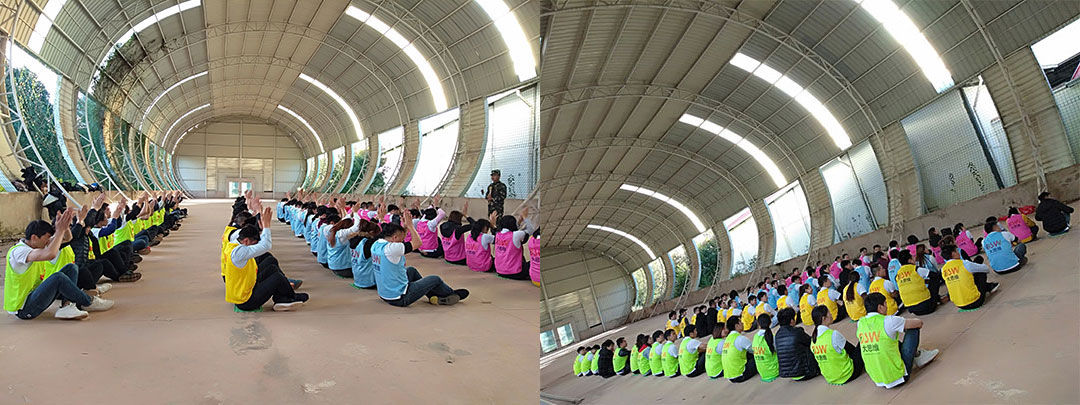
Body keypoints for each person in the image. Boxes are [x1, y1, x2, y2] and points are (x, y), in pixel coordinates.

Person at [5, 212, 115, 320]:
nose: (48, 241)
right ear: (34, 237)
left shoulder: (37, 245)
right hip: (24, 309)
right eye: (47, 237)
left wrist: (64, 227)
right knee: (58, 277)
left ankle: (67, 306)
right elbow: (50, 254)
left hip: (35, 296)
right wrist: (59, 231)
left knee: (71, 268)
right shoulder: (19, 251)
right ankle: (88, 302)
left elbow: (68, 238)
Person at [372, 211, 469, 307]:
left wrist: (405, 227)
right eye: (401, 240)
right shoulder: (392, 248)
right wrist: (411, 226)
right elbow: (418, 243)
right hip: (400, 297)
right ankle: (451, 294)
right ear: (394, 238)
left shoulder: (376, 244)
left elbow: (400, 239)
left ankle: (432, 295)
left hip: (385, 294)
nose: (403, 241)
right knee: (435, 279)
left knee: (411, 271)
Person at [225, 208, 308, 312]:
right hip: (245, 301)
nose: (255, 247)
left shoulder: (235, 243)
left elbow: (261, 244)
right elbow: (265, 246)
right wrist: (266, 226)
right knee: (277, 277)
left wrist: (262, 228)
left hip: (247, 287)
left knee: (271, 268)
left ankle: (284, 298)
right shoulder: (238, 253)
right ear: (246, 241)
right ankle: (287, 298)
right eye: (254, 244)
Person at [857, 293, 939, 389]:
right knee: (913, 328)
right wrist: (902, 325)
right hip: (899, 376)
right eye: (885, 304)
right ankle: (918, 357)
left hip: (878, 380)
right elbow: (919, 323)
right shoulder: (888, 320)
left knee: (885, 340)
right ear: (880, 307)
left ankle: (916, 355)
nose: (887, 307)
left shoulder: (860, 323)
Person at [809, 305, 863, 385]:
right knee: (862, 340)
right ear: (824, 318)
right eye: (829, 313)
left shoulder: (813, 340)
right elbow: (851, 349)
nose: (831, 314)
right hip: (847, 374)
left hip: (830, 378)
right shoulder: (833, 334)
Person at [941, 245, 999, 310]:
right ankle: (988, 286)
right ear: (953, 253)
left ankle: (989, 286)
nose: (958, 253)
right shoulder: (964, 263)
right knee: (980, 272)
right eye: (957, 251)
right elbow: (986, 269)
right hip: (976, 301)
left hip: (959, 305)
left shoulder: (943, 269)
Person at [774, 307, 820, 381]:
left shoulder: (777, 335)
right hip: (804, 373)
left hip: (790, 374)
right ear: (791, 320)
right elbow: (811, 342)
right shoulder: (796, 332)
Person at [494, 207, 535, 280]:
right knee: (535, 263)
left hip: (500, 271)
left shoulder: (497, 234)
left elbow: (515, 232)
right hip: (515, 273)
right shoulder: (515, 235)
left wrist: (519, 222)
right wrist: (525, 218)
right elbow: (531, 230)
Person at [721, 316, 757, 383]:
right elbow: (755, 350)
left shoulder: (727, 339)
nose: (742, 323)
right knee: (759, 355)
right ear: (736, 326)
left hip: (730, 376)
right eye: (740, 322)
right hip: (740, 375)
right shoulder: (740, 338)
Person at [752, 314, 780, 382]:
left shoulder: (755, 337)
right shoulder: (771, 337)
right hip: (775, 370)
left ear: (758, 324)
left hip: (763, 373)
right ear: (770, 323)